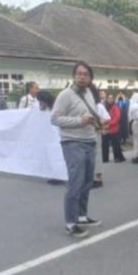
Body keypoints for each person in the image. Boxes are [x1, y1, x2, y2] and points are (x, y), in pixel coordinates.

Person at [51, 62, 102, 238]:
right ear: (74, 76)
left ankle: (81, 216)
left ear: (90, 78)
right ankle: (70, 223)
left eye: (86, 74)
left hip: (90, 142)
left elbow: (89, 116)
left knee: (87, 182)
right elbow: (55, 119)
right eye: (79, 74)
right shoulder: (65, 95)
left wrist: (98, 123)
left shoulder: (89, 93)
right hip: (73, 143)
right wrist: (79, 121)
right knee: (75, 183)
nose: (82, 77)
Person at [91, 85, 110, 188]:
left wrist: (98, 122)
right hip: (84, 134)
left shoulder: (98, 106)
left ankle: (98, 178)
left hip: (95, 133)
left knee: (97, 156)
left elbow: (107, 118)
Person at [103, 94, 126, 163]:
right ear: (107, 99)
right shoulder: (104, 106)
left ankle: (117, 158)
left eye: (111, 98)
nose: (110, 99)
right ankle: (105, 158)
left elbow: (117, 118)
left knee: (115, 144)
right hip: (105, 128)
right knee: (104, 144)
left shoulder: (115, 107)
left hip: (113, 128)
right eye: (109, 98)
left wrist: (109, 124)